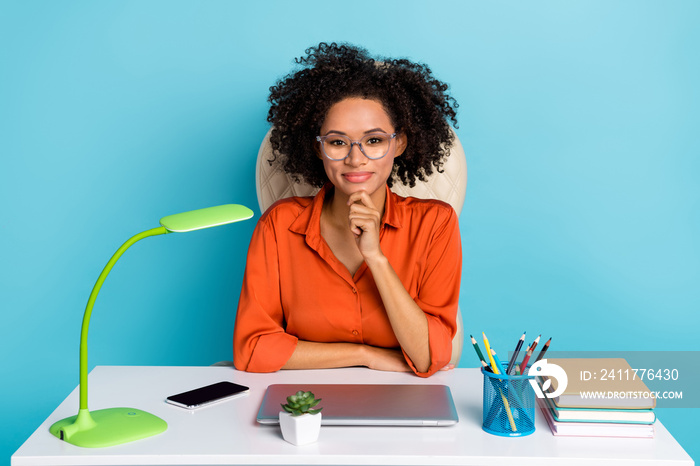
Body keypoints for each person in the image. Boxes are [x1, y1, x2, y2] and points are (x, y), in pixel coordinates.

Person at [233, 42, 461, 377]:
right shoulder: (279, 226)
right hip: (304, 405)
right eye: (338, 142)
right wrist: (363, 355)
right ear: (319, 147)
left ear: (398, 143)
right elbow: (252, 350)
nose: (356, 159)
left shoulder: (435, 224)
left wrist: (376, 257)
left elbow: (428, 358)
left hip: (402, 400)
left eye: (374, 141)